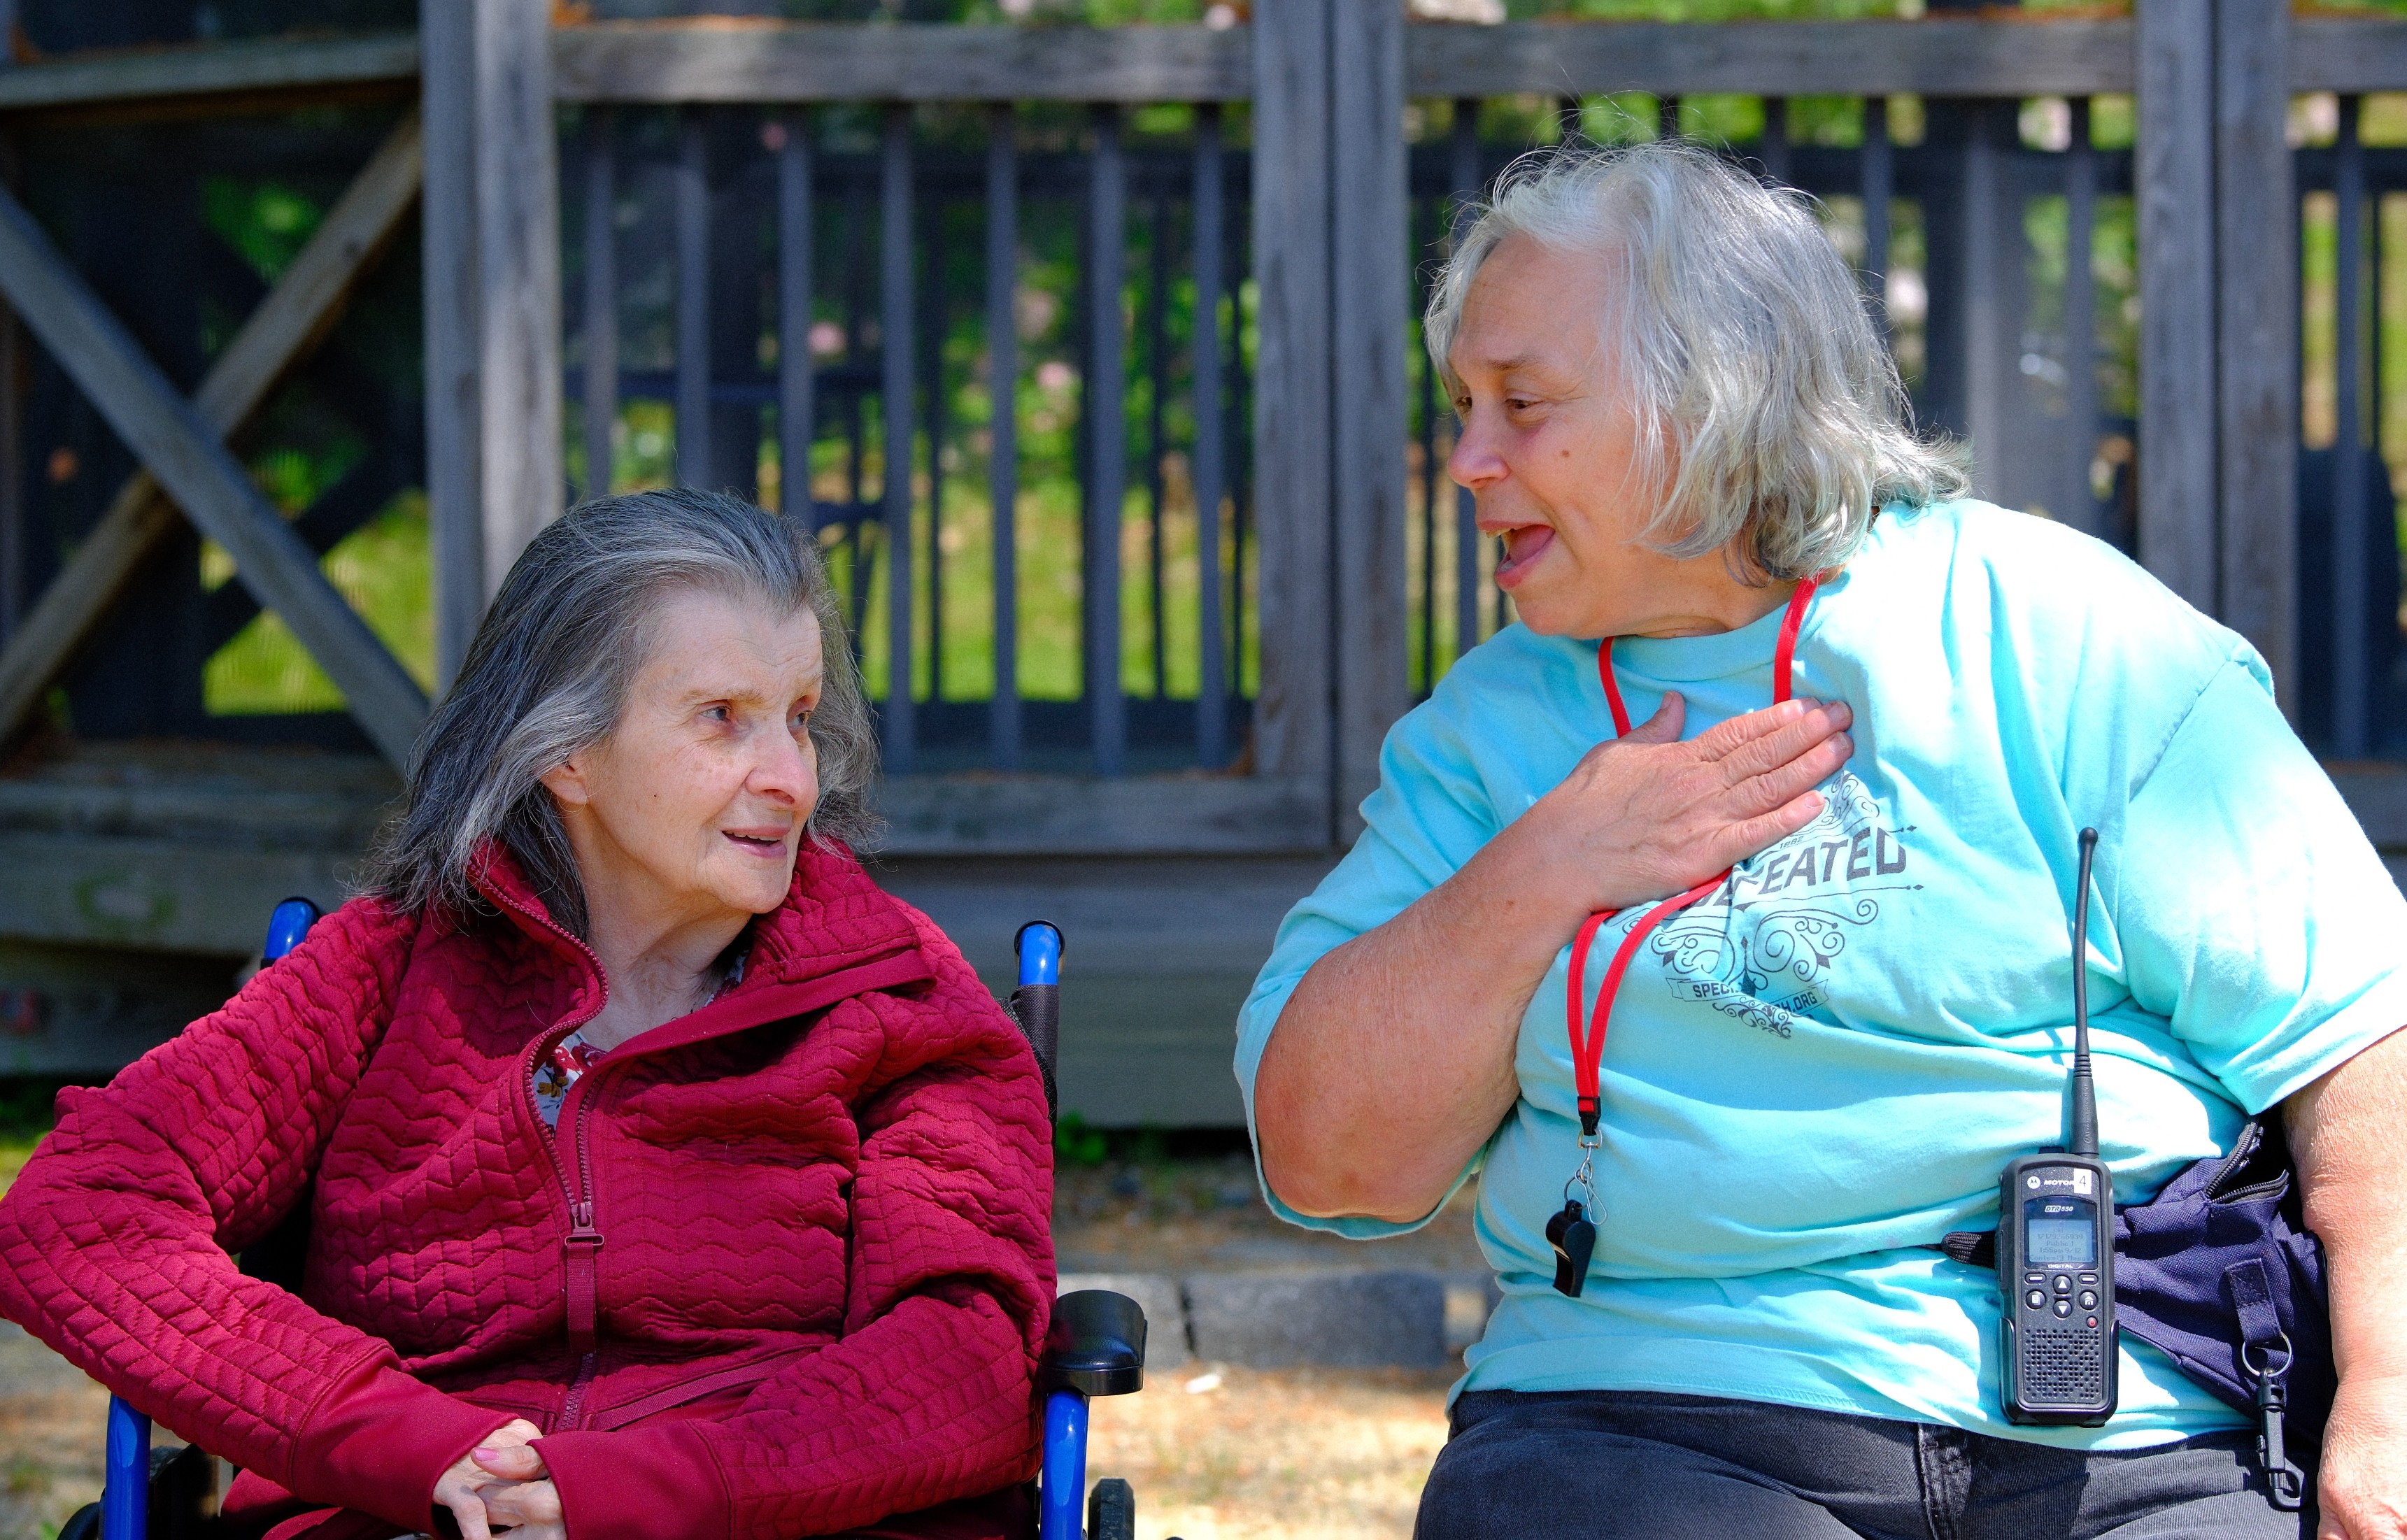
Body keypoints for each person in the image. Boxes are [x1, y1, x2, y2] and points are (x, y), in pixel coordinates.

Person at [1240, 141, 2407, 1539]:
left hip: (2127, 1422)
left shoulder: (2061, 636)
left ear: (1704, 400)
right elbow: (1327, 1160)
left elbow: (2359, 1043)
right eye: (1463, 407)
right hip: (1647, 1420)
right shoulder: (1490, 731)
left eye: (1522, 406)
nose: (1466, 461)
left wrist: (2386, 1397)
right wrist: (1545, 868)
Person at [0, 491, 1054, 1540]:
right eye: (721, 718)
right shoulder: (383, 971)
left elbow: (963, 1354)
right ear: (568, 751)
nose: (787, 776)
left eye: (798, 716)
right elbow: (81, 1209)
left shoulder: (897, 998)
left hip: (769, 1516)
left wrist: (652, 1489)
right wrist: (390, 1432)